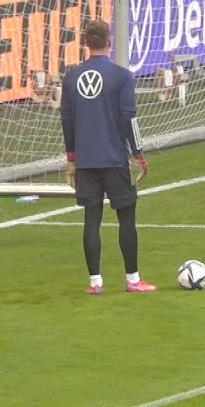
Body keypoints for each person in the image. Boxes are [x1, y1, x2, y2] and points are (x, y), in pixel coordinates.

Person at [60, 19, 156, 295]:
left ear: (86, 44)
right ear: (109, 43)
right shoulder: (121, 76)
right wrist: (138, 153)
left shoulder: (72, 78)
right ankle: (133, 279)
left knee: (92, 219)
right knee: (126, 216)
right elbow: (129, 118)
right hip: (114, 159)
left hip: (86, 161)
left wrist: (71, 158)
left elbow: (67, 120)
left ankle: (95, 283)